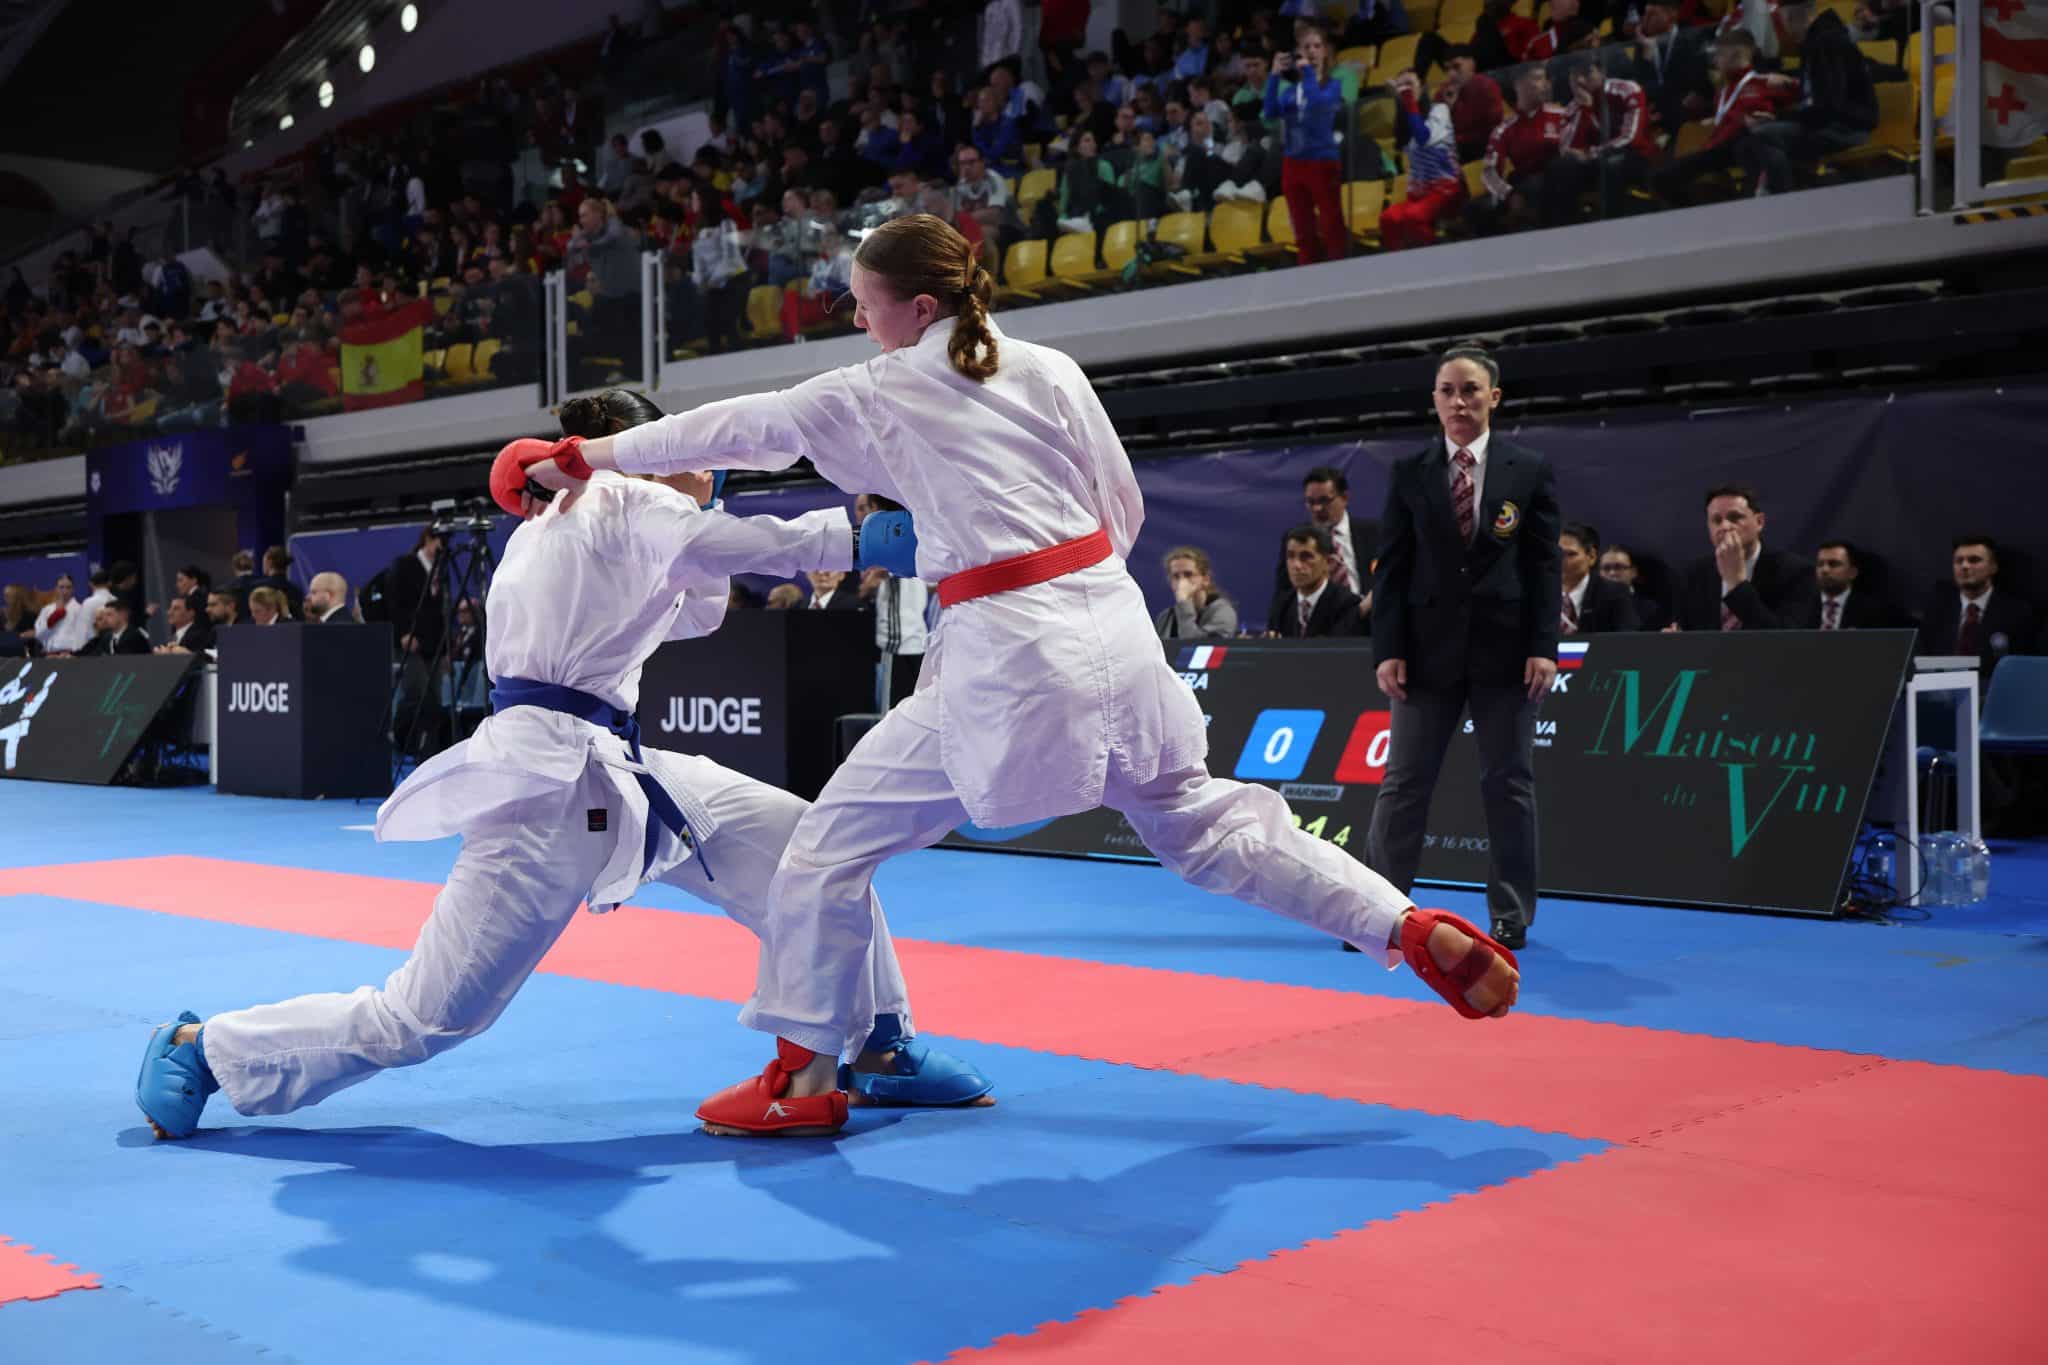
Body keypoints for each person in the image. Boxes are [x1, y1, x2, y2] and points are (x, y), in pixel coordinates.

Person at [503, 214, 1521, 1136]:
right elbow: (1121, 511)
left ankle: (802, 1079)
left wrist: (581, 455)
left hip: (1007, 657)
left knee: (824, 849)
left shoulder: (883, 385)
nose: (858, 323)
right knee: (1206, 823)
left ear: (919, 309)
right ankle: (1399, 921)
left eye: (865, 306)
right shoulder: (1050, 368)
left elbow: (730, 429)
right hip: (1115, 626)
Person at [135, 389, 993, 1142]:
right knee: (425, 1016)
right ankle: (204, 1049)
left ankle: (880, 1044)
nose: (709, 467)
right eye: (688, 451)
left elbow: (694, 609)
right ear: (641, 456)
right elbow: (723, 547)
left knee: (812, 848)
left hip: (616, 769)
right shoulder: (616, 498)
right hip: (543, 788)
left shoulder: (584, 520)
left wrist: (706, 506)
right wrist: (863, 538)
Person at [1368, 345, 1561, 952]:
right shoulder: (1410, 472)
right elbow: (1391, 570)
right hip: (1425, 654)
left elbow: (1544, 566)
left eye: (1470, 390)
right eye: (1448, 390)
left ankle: (1511, 914)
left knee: (1508, 784)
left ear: (1493, 398)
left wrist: (1544, 646)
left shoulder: (1528, 470)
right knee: (1404, 782)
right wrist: (1388, 648)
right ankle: (1378, 912)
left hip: (1507, 653)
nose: (1459, 401)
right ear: (1434, 399)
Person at [1672, 484, 1818, 631]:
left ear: (1759, 522)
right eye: (1717, 520)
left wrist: (1736, 585)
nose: (1725, 526)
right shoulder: (1694, 574)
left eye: (1734, 518)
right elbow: (1686, 629)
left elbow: (1786, 638)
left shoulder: (1797, 572)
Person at [1264, 24, 1349, 266]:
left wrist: (1308, 73)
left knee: (1331, 224)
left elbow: (1318, 105)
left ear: (1325, 52)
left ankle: (1340, 271)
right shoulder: (1291, 91)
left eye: (1317, 46)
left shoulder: (1333, 86)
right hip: (1293, 164)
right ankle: (1308, 273)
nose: (1311, 51)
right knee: (1302, 228)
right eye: (1306, 47)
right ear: (1298, 52)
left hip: (1322, 161)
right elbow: (1269, 112)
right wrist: (1274, 76)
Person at [1923, 536, 2036, 680]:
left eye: (1974, 560)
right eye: (1959, 561)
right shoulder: (1936, 612)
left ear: (1993, 567)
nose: (1965, 566)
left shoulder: (2017, 613)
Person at [1269, 525, 1365, 638]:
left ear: (1328, 562)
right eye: (1291, 556)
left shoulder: (1347, 604)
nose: (1296, 565)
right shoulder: (1282, 605)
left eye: (1306, 557)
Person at [1559, 522, 1638, 634]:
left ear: (1591, 556)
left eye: (1571, 554)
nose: (1562, 560)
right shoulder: (1539, 594)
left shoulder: (1614, 594)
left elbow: (1626, 639)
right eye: (1558, 554)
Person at [1155, 545, 1238, 639]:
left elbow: (1192, 644)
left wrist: (1184, 603)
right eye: (1176, 576)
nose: (1182, 581)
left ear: (1206, 579)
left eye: (1188, 574)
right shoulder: (1165, 617)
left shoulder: (1223, 612)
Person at [1808, 540, 1894, 629]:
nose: (1825, 570)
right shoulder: (1803, 608)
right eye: (1820, 564)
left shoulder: (1874, 612)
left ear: (1853, 572)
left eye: (1834, 564)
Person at [1597, 543, 1664, 630]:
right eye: (1606, 568)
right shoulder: (1589, 606)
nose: (1612, 573)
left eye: (1619, 567)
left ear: (1633, 572)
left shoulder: (1650, 609)